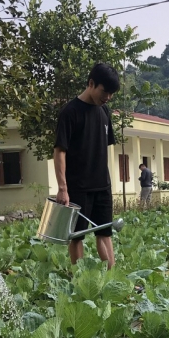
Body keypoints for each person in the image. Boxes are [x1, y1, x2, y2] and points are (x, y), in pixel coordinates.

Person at [54, 62, 120, 268]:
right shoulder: (70, 112)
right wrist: (63, 188)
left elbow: (103, 148)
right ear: (91, 83)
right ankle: (78, 279)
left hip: (102, 186)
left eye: (111, 93)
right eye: (104, 91)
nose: (107, 97)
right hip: (78, 187)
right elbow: (59, 151)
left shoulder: (104, 112)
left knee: (105, 233)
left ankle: (112, 277)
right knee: (76, 236)